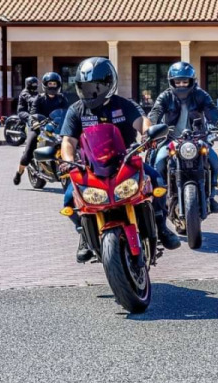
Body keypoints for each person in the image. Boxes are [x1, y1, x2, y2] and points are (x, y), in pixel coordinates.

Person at [59, 57, 181, 263]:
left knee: (157, 180)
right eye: (85, 87)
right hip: (91, 168)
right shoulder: (76, 110)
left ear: (109, 84)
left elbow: (142, 120)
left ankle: (161, 226)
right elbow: (68, 141)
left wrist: (146, 135)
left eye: (96, 86)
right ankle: (84, 234)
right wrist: (68, 160)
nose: (91, 92)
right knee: (70, 197)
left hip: (126, 161)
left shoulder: (123, 105)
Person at [148, 61, 218, 213]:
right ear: (172, 82)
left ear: (192, 81)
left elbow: (211, 108)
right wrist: (152, 126)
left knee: (214, 161)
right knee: (158, 161)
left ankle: (211, 196)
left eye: (185, 81)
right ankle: (162, 194)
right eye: (178, 82)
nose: (181, 85)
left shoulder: (200, 95)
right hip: (171, 138)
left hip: (197, 138)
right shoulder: (165, 96)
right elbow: (156, 111)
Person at [13, 72, 69, 185]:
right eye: (50, 83)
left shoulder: (62, 98)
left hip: (56, 126)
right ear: (45, 85)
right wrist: (34, 122)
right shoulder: (39, 98)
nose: (52, 86)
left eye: (54, 83)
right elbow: (33, 113)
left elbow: (68, 113)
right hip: (39, 126)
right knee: (30, 148)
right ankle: (19, 172)